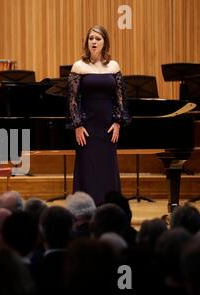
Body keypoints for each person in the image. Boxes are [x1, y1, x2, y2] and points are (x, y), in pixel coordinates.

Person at [68, 25, 131, 205]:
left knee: (107, 167)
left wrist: (117, 122)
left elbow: (120, 97)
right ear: (87, 42)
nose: (94, 42)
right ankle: (85, 209)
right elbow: (72, 99)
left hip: (108, 126)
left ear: (105, 42)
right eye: (91, 38)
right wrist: (78, 125)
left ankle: (109, 209)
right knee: (87, 168)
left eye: (98, 38)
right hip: (87, 127)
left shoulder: (114, 65)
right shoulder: (79, 66)